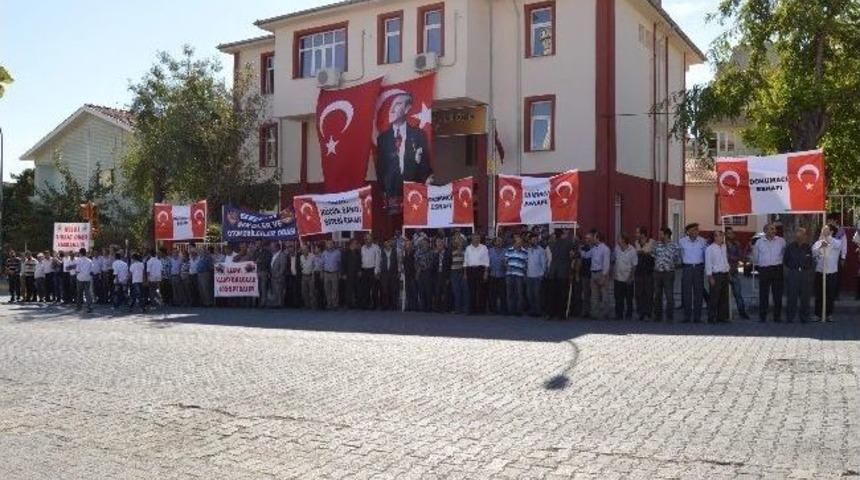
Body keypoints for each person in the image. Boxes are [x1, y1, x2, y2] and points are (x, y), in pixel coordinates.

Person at [375, 92, 432, 204]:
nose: (391, 109)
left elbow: (425, 166)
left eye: (397, 104)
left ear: (407, 109)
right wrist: (383, 191)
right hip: (392, 196)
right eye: (391, 105)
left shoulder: (419, 135)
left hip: (415, 195)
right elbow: (381, 168)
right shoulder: (383, 139)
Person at [752, 223, 786, 322]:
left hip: (777, 269)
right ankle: (762, 316)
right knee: (763, 294)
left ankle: (777, 316)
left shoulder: (781, 241)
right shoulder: (759, 242)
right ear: (765, 231)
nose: (774, 231)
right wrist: (761, 264)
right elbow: (755, 257)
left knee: (777, 294)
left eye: (774, 229)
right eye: (771, 229)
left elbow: (784, 253)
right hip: (764, 269)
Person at [783, 227, 813, 323]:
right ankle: (790, 317)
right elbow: (786, 260)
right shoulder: (790, 247)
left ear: (805, 236)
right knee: (792, 296)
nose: (800, 237)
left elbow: (811, 261)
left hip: (805, 273)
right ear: (795, 236)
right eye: (798, 235)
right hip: (793, 273)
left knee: (805, 297)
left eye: (802, 235)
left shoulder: (808, 247)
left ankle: (804, 317)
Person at [679, 223, 707, 323]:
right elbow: (680, 254)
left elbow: (706, 255)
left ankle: (697, 317)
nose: (696, 231)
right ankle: (687, 316)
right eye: (694, 229)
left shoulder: (703, 241)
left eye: (697, 229)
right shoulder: (682, 241)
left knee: (698, 293)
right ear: (688, 231)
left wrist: (704, 268)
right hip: (687, 268)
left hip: (698, 268)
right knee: (686, 292)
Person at [813, 225, 841, 322]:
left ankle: (829, 314)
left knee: (830, 294)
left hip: (831, 272)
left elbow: (837, 246)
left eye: (826, 230)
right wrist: (821, 245)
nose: (824, 231)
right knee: (819, 294)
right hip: (820, 271)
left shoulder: (836, 242)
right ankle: (817, 314)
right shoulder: (818, 242)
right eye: (823, 230)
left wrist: (828, 237)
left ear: (831, 232)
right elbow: (814, 253)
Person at [653, 228, 680, 323]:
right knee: (657, 295)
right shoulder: (657, 245)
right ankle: (657, 316)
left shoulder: (674, 246)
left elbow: (677, 259)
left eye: (661, 234)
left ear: (667, 235)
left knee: (669, 295)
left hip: (669, 273)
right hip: (658, 273)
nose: (660, 236)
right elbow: (654, 256)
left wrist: (670, 265)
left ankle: (669, 316)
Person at [705, 231, 731, 323]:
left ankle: (721, 317)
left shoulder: (724, 247)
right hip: (716, 275)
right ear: (714, 237)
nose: (720, 237)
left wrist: (728, 271)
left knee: (724, 297)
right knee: (714, 297)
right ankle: (711, 317)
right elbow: (708, 263)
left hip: (724, 273)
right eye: (718, 236)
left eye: (721, 235)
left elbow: (725, 260)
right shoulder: (710, 249)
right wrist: (710, 276)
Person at [724, 227, 750, 319]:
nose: (731, 235)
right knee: (724, 295)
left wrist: (730, 257)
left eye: (732, 233)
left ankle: (742, 312)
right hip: (724, 272)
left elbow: (740, 256)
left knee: (738, 294)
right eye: (728, 233)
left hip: (734, 271)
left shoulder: (736, 244)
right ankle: (725, 313)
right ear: (725, 234)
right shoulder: (722, 244)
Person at [586, 232, 611, 319]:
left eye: (594, 237)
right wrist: (578, 251)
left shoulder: (605, 249)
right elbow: (586, 255)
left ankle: (605, 313)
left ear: (598, 238)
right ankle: (595, 313)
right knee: (594, 294)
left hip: (601, 272)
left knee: (604, 294)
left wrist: (604, 275)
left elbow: (606, 263)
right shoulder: (593, 249)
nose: (593, 239)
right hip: (593, 272)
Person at [612, 234, 637, 320]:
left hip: (628, 278)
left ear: (623, 240)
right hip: (618, 277)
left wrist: (631, 277)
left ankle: (629, 314)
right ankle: (618, 314)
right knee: (618, 297)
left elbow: (634, 265)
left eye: (619, 239)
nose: (617, 240)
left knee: (629, 298)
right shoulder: (616, 248)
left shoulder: (632, 250)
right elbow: (614, 260)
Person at [633, 227, 655, 321]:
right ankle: (640, 312)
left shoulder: (652, 242)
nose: (636, 234)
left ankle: (648, 313)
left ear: (643, 234)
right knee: (639, 293)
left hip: (648, 271)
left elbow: (652, 254)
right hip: (638, 271)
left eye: (637, 233)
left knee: (648, 293)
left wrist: (643, 253)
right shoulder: (636, 243)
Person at [464, 234, 489, 314]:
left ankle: (481, 310)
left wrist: (486, 272)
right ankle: (472, 309)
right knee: (471, 290)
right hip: (470, 270)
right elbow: (465, 261)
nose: (476, 239)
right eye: (475, 238)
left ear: (480, 239)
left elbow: (486, 260)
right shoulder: (468, 248)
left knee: (481, 290)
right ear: (472, 239)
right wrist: (465, 273)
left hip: (480, 269)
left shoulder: (484, 247)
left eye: (478, 238)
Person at [504, 234, 528, 316]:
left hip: (519, 275)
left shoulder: (525, 252)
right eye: (518, 242)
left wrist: (524, 272)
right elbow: (505, 261)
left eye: (520, 242)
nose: (519, 243)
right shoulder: (509, 250)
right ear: (514, 242)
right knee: (510, 293)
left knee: (519, 293)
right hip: (509, 274)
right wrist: (507, 266)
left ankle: (518, 311)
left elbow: (526, 263)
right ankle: (510, 310)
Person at [525, 234, 547, 317]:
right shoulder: (527, 250)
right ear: (530, 240)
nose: (534, 241)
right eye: (533, 240)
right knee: (529, 294)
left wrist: (542, 274)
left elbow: (544, 263)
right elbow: (526, 262)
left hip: (537, 276)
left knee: (537, 294)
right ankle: (532, 310)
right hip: (529, 275)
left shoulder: (541, 250)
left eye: (536, 240)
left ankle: (538, 311)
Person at [359, 235, 382, 309]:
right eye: (366, 239)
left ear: (371, 239)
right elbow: (361, 259)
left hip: (372, 270)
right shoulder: (362, 247)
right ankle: (366, 304)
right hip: (364, 270)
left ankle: (375, 305)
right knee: (365, 288)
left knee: (374, 289)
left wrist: (376, 271)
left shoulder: (376, 247)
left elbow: (378, 260)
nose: (367, 240)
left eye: (368, 238)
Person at [487, 237, 507, 315]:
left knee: (503, 293)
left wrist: (505, 265)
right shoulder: (490, 251)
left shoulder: (505, 251)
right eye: (498, 241)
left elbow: (507, 262)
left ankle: (503, 309)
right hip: (492, 274)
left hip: (502, 275)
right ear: (494, 242)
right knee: (492, 293)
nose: (499, 243)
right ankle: (493, 309)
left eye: (501, 241)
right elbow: (487, 262)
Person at [415, 237, 435, 312]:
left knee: (428, 290)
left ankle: (429, 307)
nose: (424, 244)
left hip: (428, 272)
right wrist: (417, 270)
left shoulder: (431, 252)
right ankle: (423, 307)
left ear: (428, 243)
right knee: (421, 290)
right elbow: (415, 262)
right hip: (419, 272)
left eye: (425, 243)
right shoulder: (418, 252)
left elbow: (431, 263)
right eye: (423, 243)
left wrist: (423, 267)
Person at [449, 237, 468, 314]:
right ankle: (457, 309)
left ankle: (465, 309)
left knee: (464, 290)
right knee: (456, 291)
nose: (459, 242)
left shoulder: (466, 252)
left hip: (463, 272)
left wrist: (465, 273)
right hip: (454, 272)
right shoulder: (451, 251)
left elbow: (467, 263)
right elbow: (449, 263)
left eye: (461, 241)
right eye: (457, 241)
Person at [321, 240, 342, 309]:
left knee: (335, 289)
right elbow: (322, 264)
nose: (329, 244)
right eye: (328, 243)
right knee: (327, 289)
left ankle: (335, 304)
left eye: (331, 243)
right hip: (326, 273)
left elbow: (339, 264)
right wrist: (322, 273)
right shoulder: (324, 253)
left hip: (334, 273)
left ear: (333, 244)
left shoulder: (337, 252)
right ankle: (329, 303)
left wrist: (339, 273)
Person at [379, 238, 399, 310]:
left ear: (390, 243)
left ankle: (393, 305)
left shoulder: (395, 251)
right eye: (385, 243)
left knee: (393, 289)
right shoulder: (380, 251)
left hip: (393, 272)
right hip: (384, 273)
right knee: (384, 290)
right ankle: (385, 305)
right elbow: (378, 262)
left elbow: (398, 262)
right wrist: (378, 271)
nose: (386, 244)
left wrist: (398, 271)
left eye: (388, 243)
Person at [432, 237, 450, 312]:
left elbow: (449, 266)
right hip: (437, 275)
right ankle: (437, 308)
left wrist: (448, 278)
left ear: (443, 245)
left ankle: (445, 308)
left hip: (445, 274)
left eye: (440, 244)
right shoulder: (435, 254)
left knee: (445, 292)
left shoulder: (447, 253)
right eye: (438, 244)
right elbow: (433, 266)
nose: (439, 245)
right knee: (437, 292)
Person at [74, 248, 94, 313]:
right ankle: (89, 307)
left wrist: (77, 273)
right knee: (87, 293)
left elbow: (77, 270)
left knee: (79, 293)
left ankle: (79, 307)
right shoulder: (90, 260)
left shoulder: (78, 260)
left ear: (80, 253)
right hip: (87, 278)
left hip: (80, 278)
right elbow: (92, 270)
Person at [254, 241, 273, 308]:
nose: (258, 245)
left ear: (261, 244)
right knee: (257, 288)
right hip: (256, 271)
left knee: (263, 288)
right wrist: (255, 261)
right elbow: (253, 260)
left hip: (264, 271)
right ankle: (258, 302)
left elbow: (268, 260)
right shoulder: (255, 252)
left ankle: (263, 303)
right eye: (257, 243)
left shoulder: (267, 252)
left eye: (259, 243)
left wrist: (260, 261)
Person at [401, 238, 418, 311]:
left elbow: (416, 263)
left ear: (411, 245)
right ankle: (409, 306)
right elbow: (402, 263)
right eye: (406, 245)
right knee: (408, 291)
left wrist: (417, 273)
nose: (407, 246)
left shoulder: (415, 253)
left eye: (409, 244)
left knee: (414, 291)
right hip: (406, 274)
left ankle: (415, 306)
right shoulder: (404, 253)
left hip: (413, 274)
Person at [298, 244, 315, 309]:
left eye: (305, 249)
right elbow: (300, 266)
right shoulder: (301, 257)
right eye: (303, 250)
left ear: (308, 249)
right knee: (304, 291)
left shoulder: (312, 256)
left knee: (312, 291)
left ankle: (313, 305)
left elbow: (314, 266)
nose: (304, 250)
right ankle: (307, 305)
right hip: (304, 276)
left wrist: (313, 275)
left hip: (311, 276)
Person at [270, 242, 286, 308]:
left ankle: (279, 303)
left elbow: (283, 267)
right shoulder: (273, 255)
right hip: (273, 276)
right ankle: (276, 303)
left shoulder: (282, 255)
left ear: (277, 247)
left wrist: (279, 275)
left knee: (279, 290)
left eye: (272, 247)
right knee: (275, 290)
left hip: (279, 277)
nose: (271, 248)